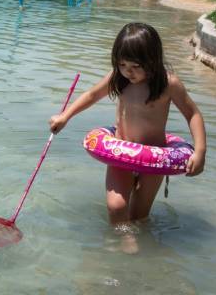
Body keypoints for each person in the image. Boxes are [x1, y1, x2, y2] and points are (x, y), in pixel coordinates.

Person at [49, 23, 207, 235]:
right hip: (121, 153)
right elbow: (92, 95)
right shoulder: (118, 78)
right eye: (122, 64)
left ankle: (139, 252)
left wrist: (200, 151)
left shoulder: (169, 84)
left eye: (135, 66)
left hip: (155, 158)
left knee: (139, 215)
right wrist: (65, 116)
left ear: (152, 59)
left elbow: (192, 113)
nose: (127, 71)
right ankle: (124, 242)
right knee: (117, 207)